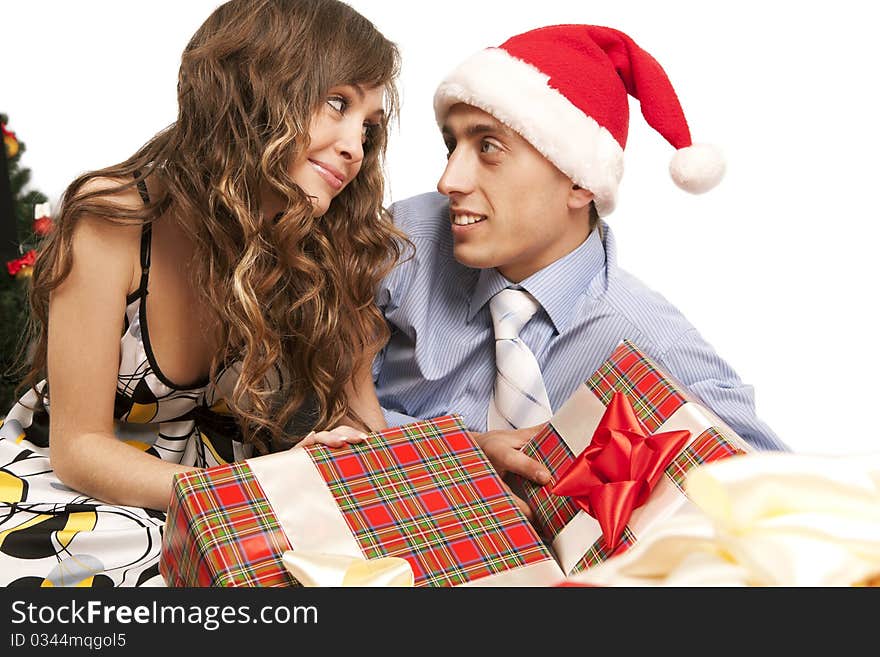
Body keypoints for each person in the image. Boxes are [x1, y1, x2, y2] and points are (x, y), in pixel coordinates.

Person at [0, 0, 402, 587]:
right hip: (77, 487)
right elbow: (79, 447)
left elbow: (362, 419)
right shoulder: (115, 218)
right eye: (337, 103)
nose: (355, 147)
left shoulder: (331, 241)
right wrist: (254, 489)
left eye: (368, 126)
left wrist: (340, 455)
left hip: (234, 496)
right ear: (257, 86)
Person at [372, 24, 789, 506]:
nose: (449, 180)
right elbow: (317, 398)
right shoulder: (411, 239)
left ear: (579, 183)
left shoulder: (643, 336)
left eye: (488, 147)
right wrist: (457, 456)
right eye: (452, 146)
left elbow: (781, 499)